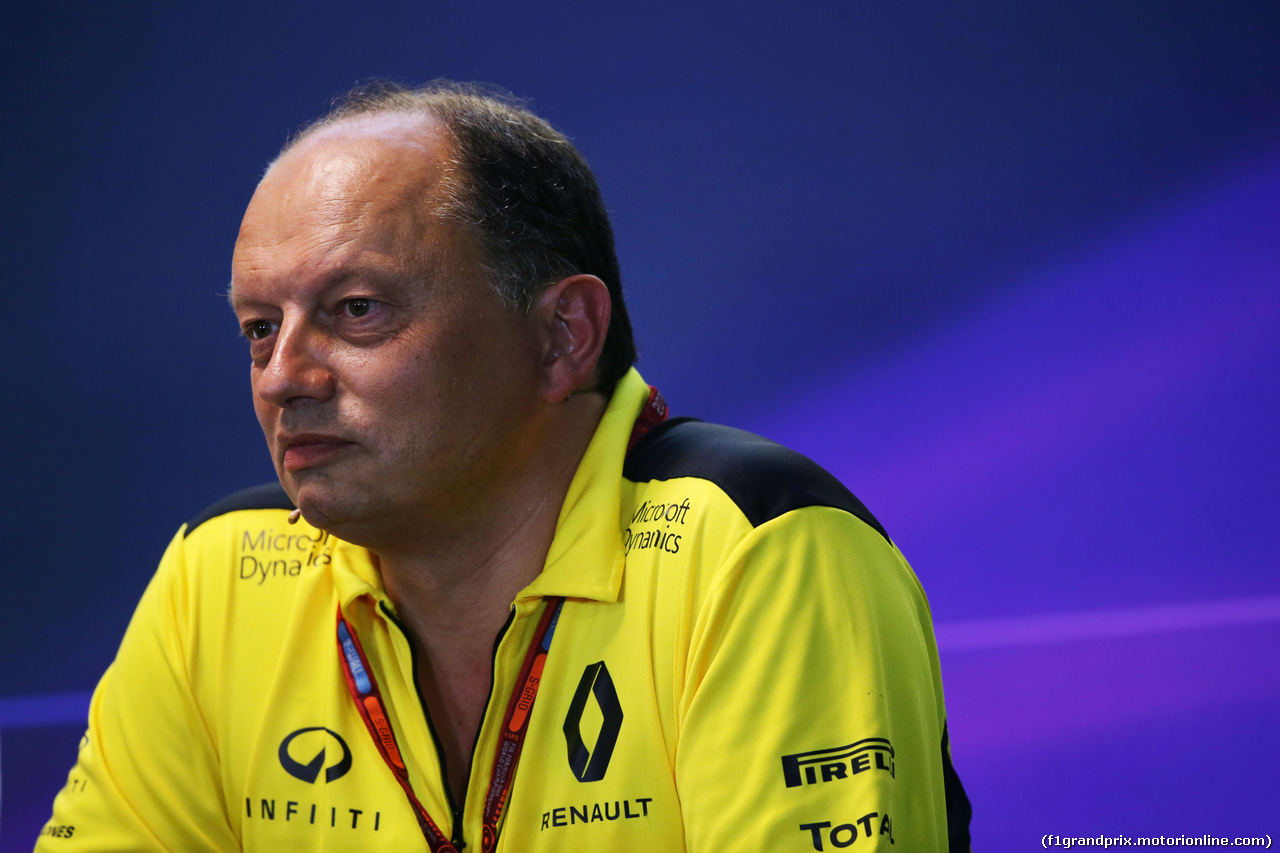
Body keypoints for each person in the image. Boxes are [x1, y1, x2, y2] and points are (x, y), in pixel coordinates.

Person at [37, 80, 970, 851]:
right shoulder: (220, 574)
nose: (285, 377)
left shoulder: (755, 549)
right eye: (258, 329)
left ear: (563, 334)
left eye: (357, 309)